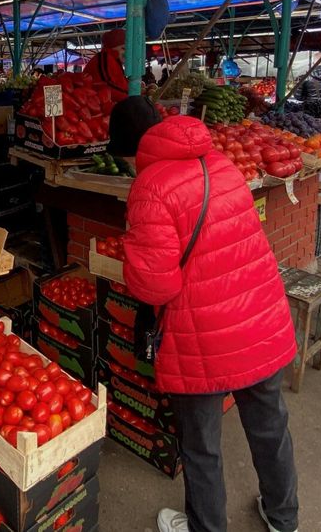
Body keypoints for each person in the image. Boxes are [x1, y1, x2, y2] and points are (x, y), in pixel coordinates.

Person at [114, 97, 300, 532]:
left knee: (201, 444)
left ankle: (206, 527)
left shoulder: (150, 186)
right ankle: (283, 517)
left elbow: (155, 286)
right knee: (270, 425)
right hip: (260, 319)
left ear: (130, 147)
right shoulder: (219, 162)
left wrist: (131, 255)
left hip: (203, 334)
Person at [86, 28, 129, 103]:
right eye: (123, 48)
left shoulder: (115, 61)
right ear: (112, 47)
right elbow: (106, 85)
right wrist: (130, 97)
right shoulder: (104, 57)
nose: (126, 52)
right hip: (102, 106)